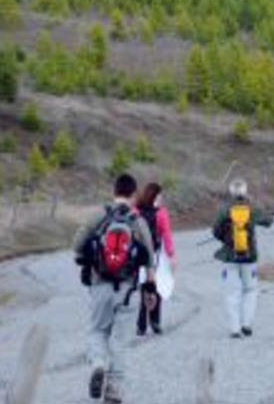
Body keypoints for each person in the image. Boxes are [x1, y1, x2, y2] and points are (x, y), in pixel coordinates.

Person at [73, 173, 156, 404]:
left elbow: (76, 245)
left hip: (100, 286)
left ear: (114, 192)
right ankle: (114, 389)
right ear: (133, 194)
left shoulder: (99, 216)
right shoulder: (137, 222)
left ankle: (98, 364)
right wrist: (150, 292)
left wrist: (86, 260)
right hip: (128, 291)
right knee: (120, 341)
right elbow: (150, 259)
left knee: (97, 331)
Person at [212, 178, 273, 339]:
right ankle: (246, 324)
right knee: (250, 290)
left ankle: (234, 329)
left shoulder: (225, 208)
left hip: (229, 257)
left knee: (232, 292)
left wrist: (226, 239)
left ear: (231, 191)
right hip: (249, 256)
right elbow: (269, 221)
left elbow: (215, 231)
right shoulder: (252, 208)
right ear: (245, 191)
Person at [135, 182, 176, 336]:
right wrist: (171, 255)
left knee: (144, 288)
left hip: (139, 255)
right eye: (160, 195)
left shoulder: (136, 210)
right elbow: (166, 235)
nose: (162, 198)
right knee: (156, 288)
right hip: (155, 254)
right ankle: (155, 321)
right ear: (155, 196)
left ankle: (141, 324)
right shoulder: (161, 213)